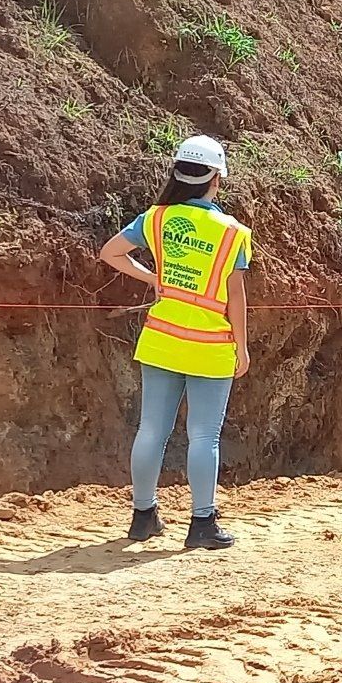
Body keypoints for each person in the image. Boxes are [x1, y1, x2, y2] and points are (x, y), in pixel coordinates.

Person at [99, 135, 253, 549]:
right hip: (210, 343)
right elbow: (235, 295)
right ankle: (202, 524)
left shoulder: (156, 218)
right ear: (216, 178)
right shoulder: (233, 233)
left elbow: (111, 253)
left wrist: (154, 278)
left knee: (152, 429)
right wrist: (242, 345)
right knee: (204, 436)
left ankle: (143, 516)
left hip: (161, 336)